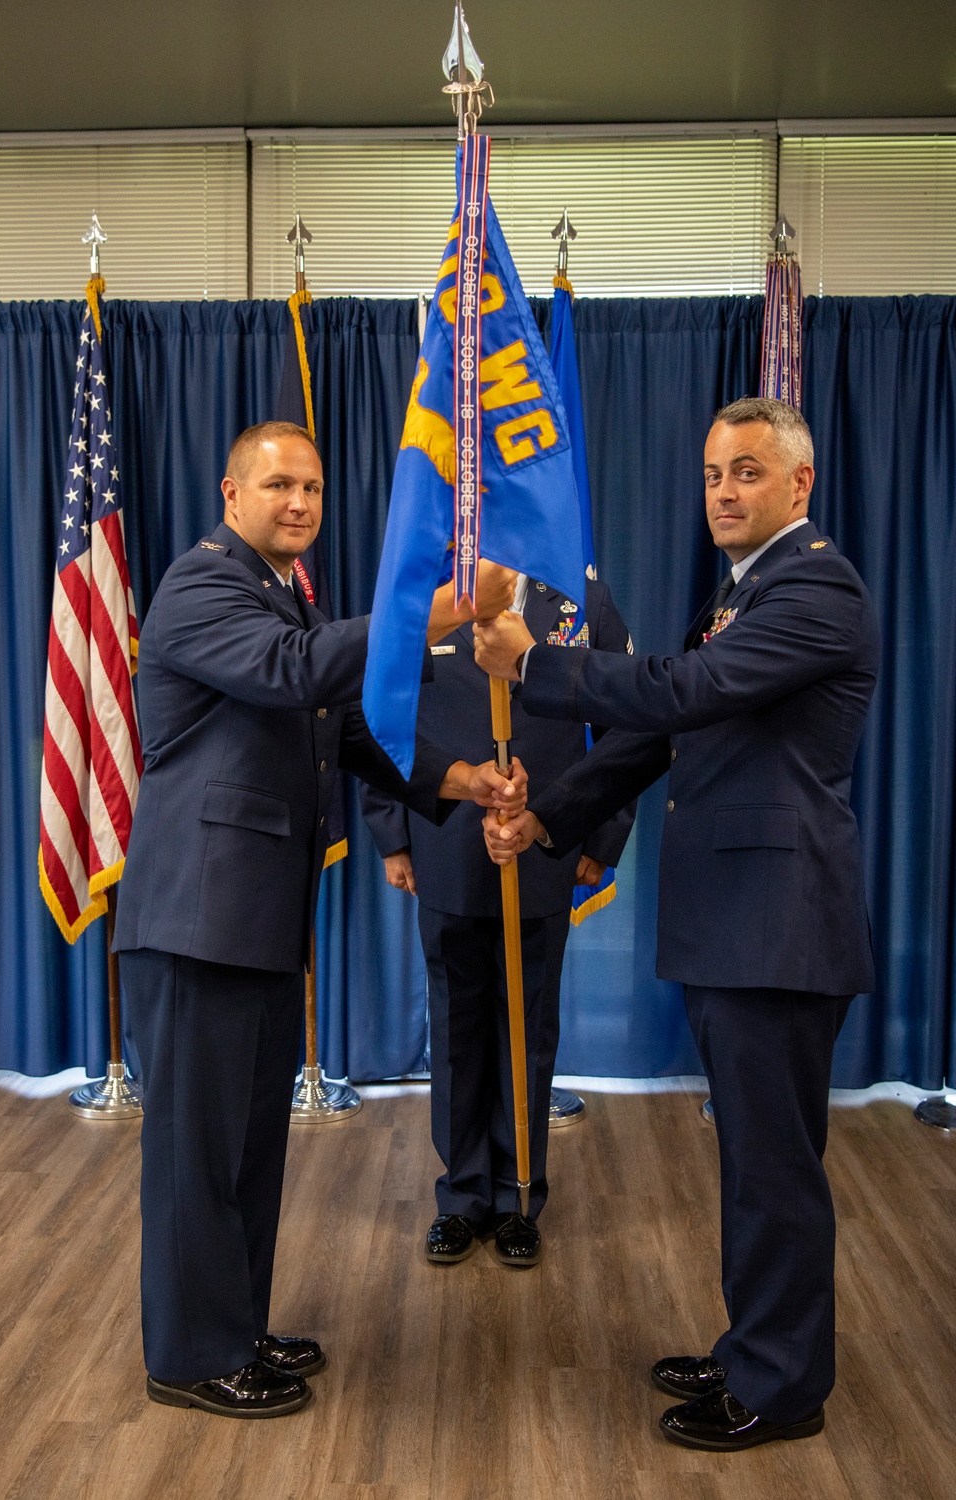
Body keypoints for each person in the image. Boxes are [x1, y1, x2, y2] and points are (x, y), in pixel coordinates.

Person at [473, 397, 879, 1452]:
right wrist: (546, 812)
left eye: (746, 472)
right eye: (710, 475)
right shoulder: (743, 595)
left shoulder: (815, 590)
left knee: (772, 1165)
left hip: (778, 924)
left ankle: (782, 1386)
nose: (722, 493)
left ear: (799, 484)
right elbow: (658, 739)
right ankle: (756, 1345)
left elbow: (679, 691)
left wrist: (529, 664)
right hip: (737, 921)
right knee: (749, 1156)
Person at [114, 421, 525, 1420]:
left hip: (251, 916)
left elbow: (344, 725)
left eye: (312, 487)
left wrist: (455, 778)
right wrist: (434, 610)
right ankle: (189, 1355)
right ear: (230, 492)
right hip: (196, 918)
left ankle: (234, 1325)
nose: (299, 503)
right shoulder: (202, 583)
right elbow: (294, 675)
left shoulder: (282, 592)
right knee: (194, 1153)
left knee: (248, 1145)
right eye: (278, 485)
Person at [360, 573, 636, 1269]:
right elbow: (380, 716)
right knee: (457, 1026)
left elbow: (625, 726)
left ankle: (518, 1195)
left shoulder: (581, 600)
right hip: (444, 837)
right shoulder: (428, 592)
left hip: (547, 839)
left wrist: (602, 837)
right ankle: (461, 1196)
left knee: (529, 1026)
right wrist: (391, 832)